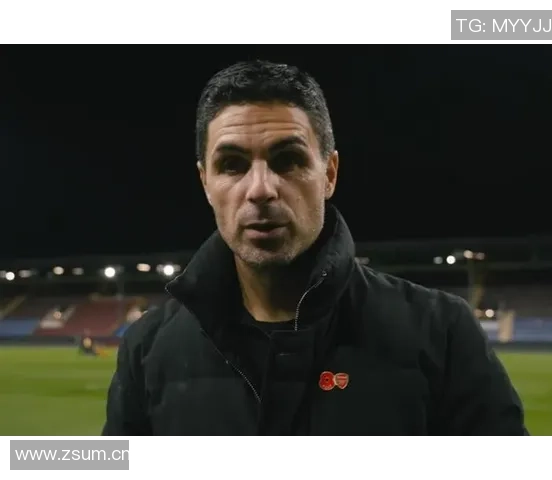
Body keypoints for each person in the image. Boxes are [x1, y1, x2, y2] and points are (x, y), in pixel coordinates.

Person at [102, 60, 528, 435]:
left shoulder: (443, 334)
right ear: (205, 184)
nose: (260, 189)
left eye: (288, 160)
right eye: (232, 165)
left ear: (329, 173)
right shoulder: (147, 348)